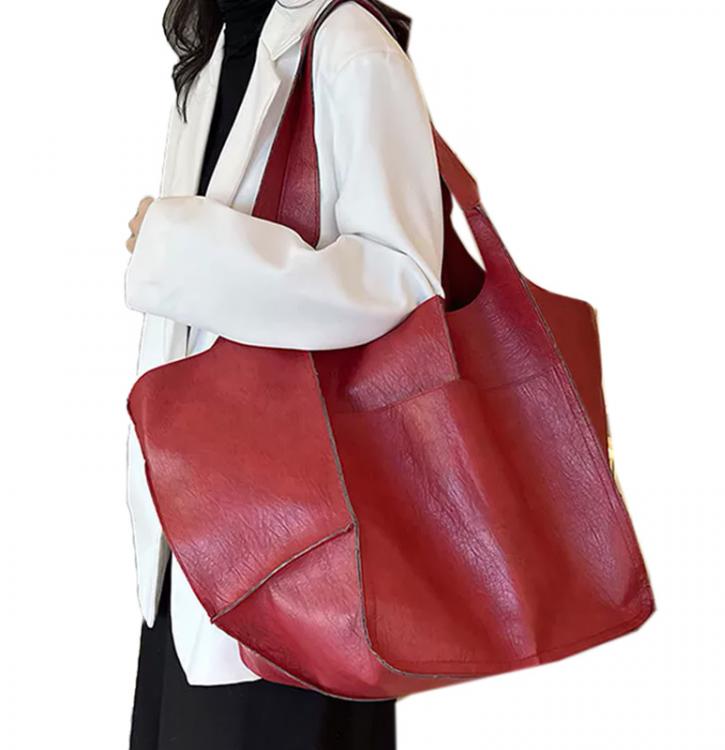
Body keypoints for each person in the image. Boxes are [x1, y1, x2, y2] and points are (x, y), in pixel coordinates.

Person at [123, 0, 445, 747]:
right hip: (192, 544)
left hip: (300, 558)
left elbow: (403, 281)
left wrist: (182, 248)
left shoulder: (350, 46)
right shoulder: (213, 52)